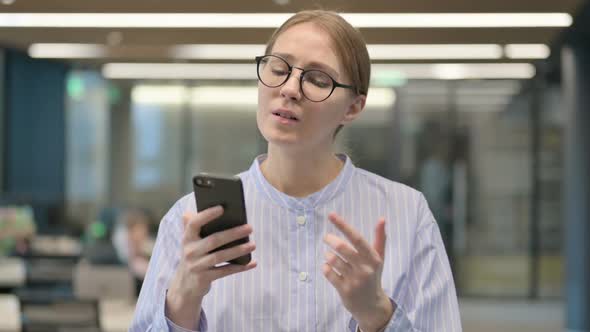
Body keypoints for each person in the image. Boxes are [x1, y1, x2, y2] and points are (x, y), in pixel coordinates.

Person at [130, 10, 461, 332]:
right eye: (278, 68)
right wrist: (183, 300)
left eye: (317, 79)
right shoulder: (189, 219)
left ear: (354, 107)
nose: (289, 88)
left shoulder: (407, 214)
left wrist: (376, 315)